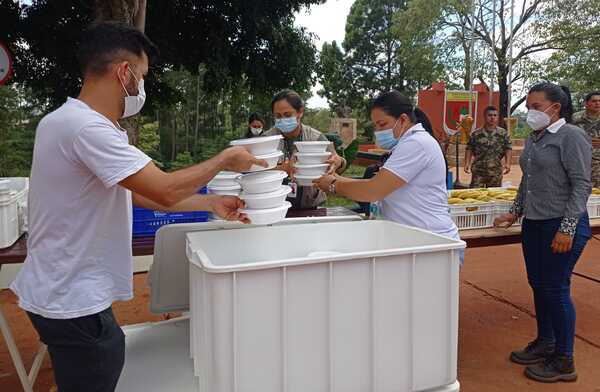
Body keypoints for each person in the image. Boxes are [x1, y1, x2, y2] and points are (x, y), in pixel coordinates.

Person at [9, 22, 265, 392]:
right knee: (100, 363)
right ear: (124, 73)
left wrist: (210, 201)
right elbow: (162, 190)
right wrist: (223, 160)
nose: (142, 87)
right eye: (142, 76)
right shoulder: (87, 129)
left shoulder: (66, 121)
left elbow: (137, 193)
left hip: (59, 289)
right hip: (72, 298)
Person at [494, 82, 591, 383]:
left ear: (555, 108)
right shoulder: (536, 137)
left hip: (561, 224)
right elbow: (528, 179)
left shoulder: (572, 136)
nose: (529, 113)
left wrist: (567, 228)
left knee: (555, 287)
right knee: (538, 283)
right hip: (534, 222)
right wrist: (516, 210)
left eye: (535, 107)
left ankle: (564, 360)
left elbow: (581, 185)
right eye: (528, 107)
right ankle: (546, 341)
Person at [313, 90, 461, 246]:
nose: (378, 131)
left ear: (403, 119)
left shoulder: (416, 144)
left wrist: (333, 184)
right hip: (416, 240)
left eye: (382, 124)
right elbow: (380, 184)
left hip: (432, 242)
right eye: (376, 126)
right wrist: (330, 176)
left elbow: (372, 190)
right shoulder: (407, 144)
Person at [262, 89, 347, 209]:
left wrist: (339, 162)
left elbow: (338, 163)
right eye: (278, 116)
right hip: (273, 205)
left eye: (287, 115)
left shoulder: (316, 137)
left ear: (300, 112)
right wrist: (283, 169)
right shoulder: (266, 140)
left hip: (310, 205)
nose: (282, 120)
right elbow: (254, 172)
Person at [464, 105, 512, 187]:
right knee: (477, 196)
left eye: (495, 115)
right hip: (478, 171)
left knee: (494, 197)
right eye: (490, 115)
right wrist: (467, 163)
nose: (492, 118)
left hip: (495, 171)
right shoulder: (476, 134)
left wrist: (508, 163)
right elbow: (469, 148)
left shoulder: (503, 133)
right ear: (485, 116)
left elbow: (508, 148)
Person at [573, 91, 600, 187]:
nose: (597, 103)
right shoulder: (575, 118)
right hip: (580, 161)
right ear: (586, 103)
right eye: (594, 101)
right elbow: (565, 137)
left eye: (599, 101)